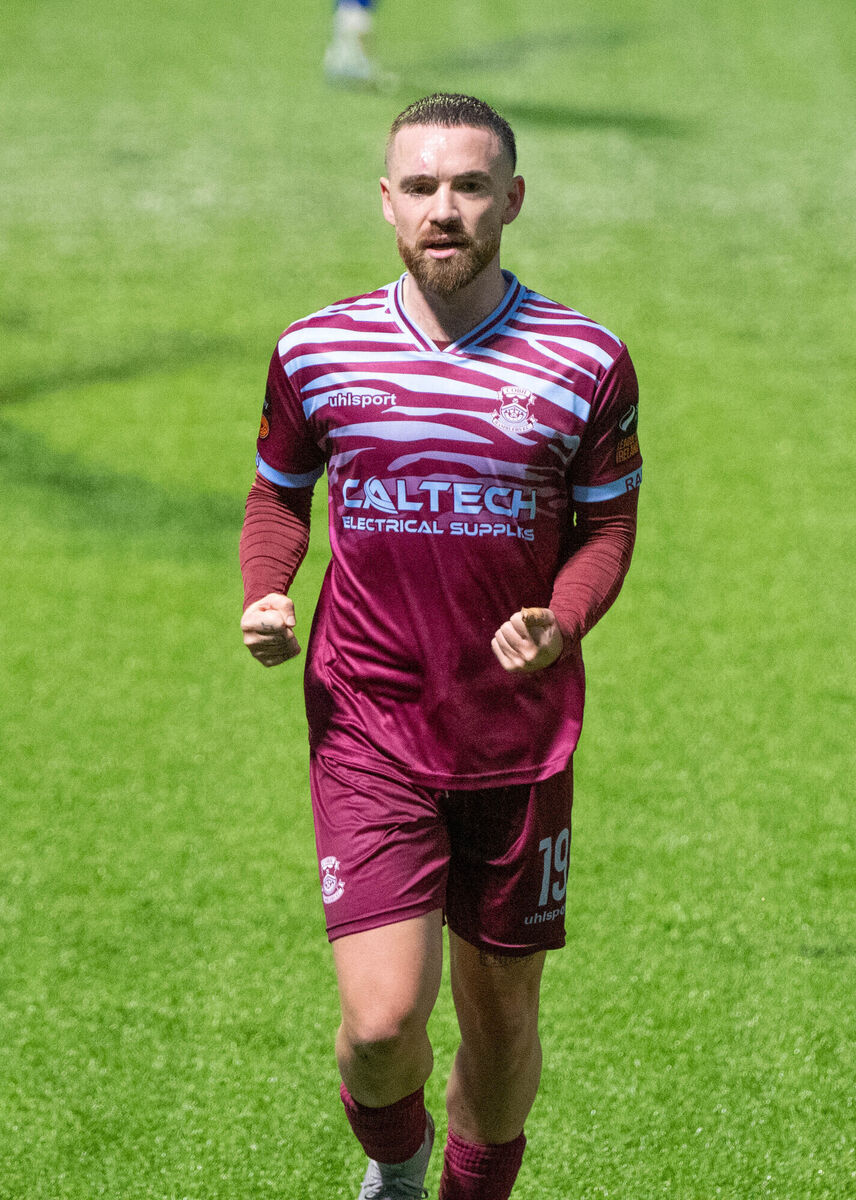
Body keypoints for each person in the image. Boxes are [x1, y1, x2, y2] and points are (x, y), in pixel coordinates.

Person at [240, 93, 642, 1200]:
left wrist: (560, 617)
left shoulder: (584, 359)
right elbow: (278, 495)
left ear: (510, 199)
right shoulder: (318, 348)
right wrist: (267, 593)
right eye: (421, 187)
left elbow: (606, 524)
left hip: (518, 737)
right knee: (377, 1028)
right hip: (366, 719)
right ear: (387, 203)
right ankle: (401, 1168)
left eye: (470, 187)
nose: (446, 210)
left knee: (502, 1012)